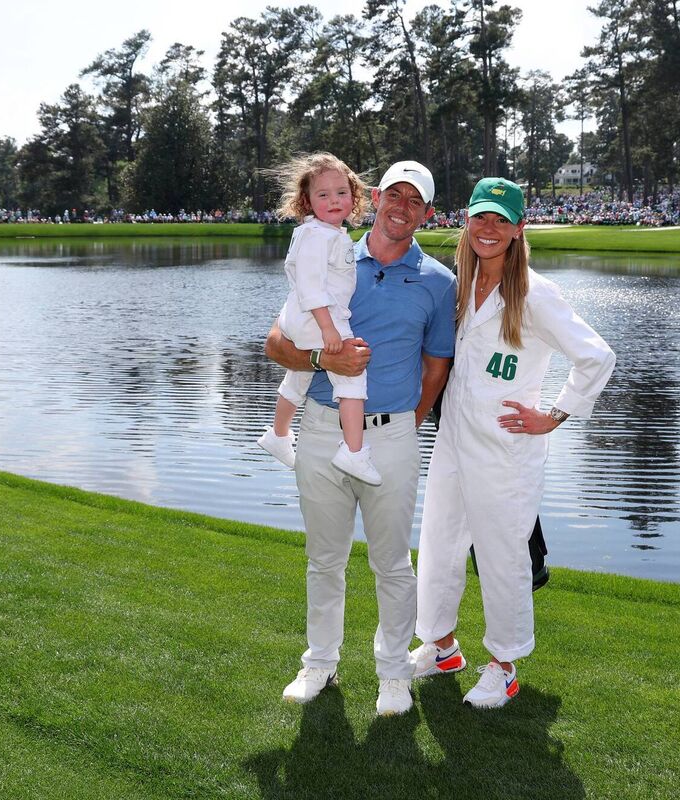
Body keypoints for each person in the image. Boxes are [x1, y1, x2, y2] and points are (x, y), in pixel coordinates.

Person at [410, 178, 615, 709]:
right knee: (438, 544)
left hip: (505, 449)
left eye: (502, 220)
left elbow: (597, 357)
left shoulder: (536, 293)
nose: (490, 229)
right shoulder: (457, 286)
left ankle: (504, 664)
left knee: (502, 557)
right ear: (467, 223)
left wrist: (555, 414)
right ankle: (441, 644)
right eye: (481, 217)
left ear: (520, 228)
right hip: (453, 437)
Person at [264, 161, 456, 716]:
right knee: (325, 560)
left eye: (413, 200)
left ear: (426, 212)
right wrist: (326, 356)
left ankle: (393, 673)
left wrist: (408, 423)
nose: (401, 205)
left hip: (394, 436)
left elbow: (436, 366)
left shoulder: (439, 282)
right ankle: (319, 663)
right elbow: (277, 344)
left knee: (393, 564)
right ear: (374, 198)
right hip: (323, 428)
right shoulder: (332, 252)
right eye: (392, 193)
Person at [257, 153, 381, 485]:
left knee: (299, 374)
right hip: (317, 317)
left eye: (341, 192)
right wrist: (329, 329)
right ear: (307, 201)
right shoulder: (316, 235)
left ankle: (278, 435)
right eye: (322, 195)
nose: (333, 200)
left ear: (353, 196)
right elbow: (312, 286)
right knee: (352, 374)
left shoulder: (329, 233)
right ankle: (353, 452)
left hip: (302, 316)